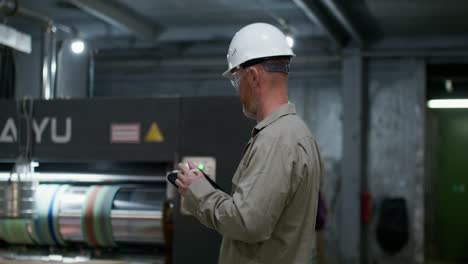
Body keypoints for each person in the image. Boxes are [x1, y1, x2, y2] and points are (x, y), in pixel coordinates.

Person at [175, 22, 323, 264]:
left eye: (236, 79)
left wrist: (198, 192)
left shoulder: (277, 140)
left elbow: (247, 223)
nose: (237, 91)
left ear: (253, 76)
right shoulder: (296, 133)